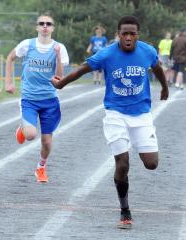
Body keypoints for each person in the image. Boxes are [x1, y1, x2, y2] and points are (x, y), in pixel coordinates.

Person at [51, 16, 168, 229]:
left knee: (152, 164)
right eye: (125, 33)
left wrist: (165, 87)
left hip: (141, 114)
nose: (129, 37)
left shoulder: (148, 51)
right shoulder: (107, 53)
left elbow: (158, 68)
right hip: (115, 114)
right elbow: (81, 70)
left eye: (133, 34)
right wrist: (62, 84)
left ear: (138, 35)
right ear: (118, 34)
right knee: (122, 164)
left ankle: (126, 200)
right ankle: (125, 211)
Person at [5, 14, 69, 183]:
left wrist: (56, 57)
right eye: (42, 24)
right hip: (29, 98)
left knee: (47, 142)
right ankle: (24, 128)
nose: (45, 26)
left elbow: (60, 78)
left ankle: (41, 167)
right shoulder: (27, 44)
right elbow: (10, 58)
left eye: (48, 24)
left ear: (53, 28)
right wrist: (9, 82)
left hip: (49, 100)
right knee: (31, 135)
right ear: (37, 27)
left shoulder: (59, 48)